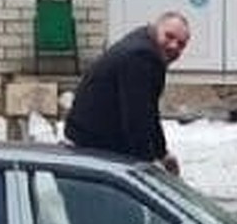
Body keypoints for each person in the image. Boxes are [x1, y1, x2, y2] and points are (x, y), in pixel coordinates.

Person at [63, 11, 190, 175]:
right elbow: (136, 118)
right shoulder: (141, 57)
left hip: (89, 146)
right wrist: (147, 166)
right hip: (92, 152)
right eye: (169, 36)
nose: (174, 46)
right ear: (156, 29)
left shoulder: (145, 45)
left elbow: (148, 111)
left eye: (181, 44)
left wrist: (162, 153)